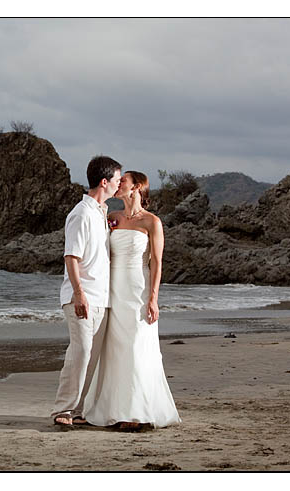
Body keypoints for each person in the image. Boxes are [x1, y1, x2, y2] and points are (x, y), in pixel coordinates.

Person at [83, 171, 181, 430]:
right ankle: (115, 409)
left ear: (136, 186)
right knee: (115, 349)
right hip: (113, 289)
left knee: (138, 345)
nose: (118, 184)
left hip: (138, 289)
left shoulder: (152, 222)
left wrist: (153, 298)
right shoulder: (112, 218)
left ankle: (137, 411)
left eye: (123, 181)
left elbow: (157, 263)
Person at [51, 155, 122, 427]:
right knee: (80, 353)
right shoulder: (80, 214)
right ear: (104, 182)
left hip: (102, 297)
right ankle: (63, 410)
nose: (119, 185)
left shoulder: (100, 213)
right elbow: (71, 257)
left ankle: (80, 410)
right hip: (81, 297)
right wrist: (78, 293)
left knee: (91, 356)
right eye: (116, 180)